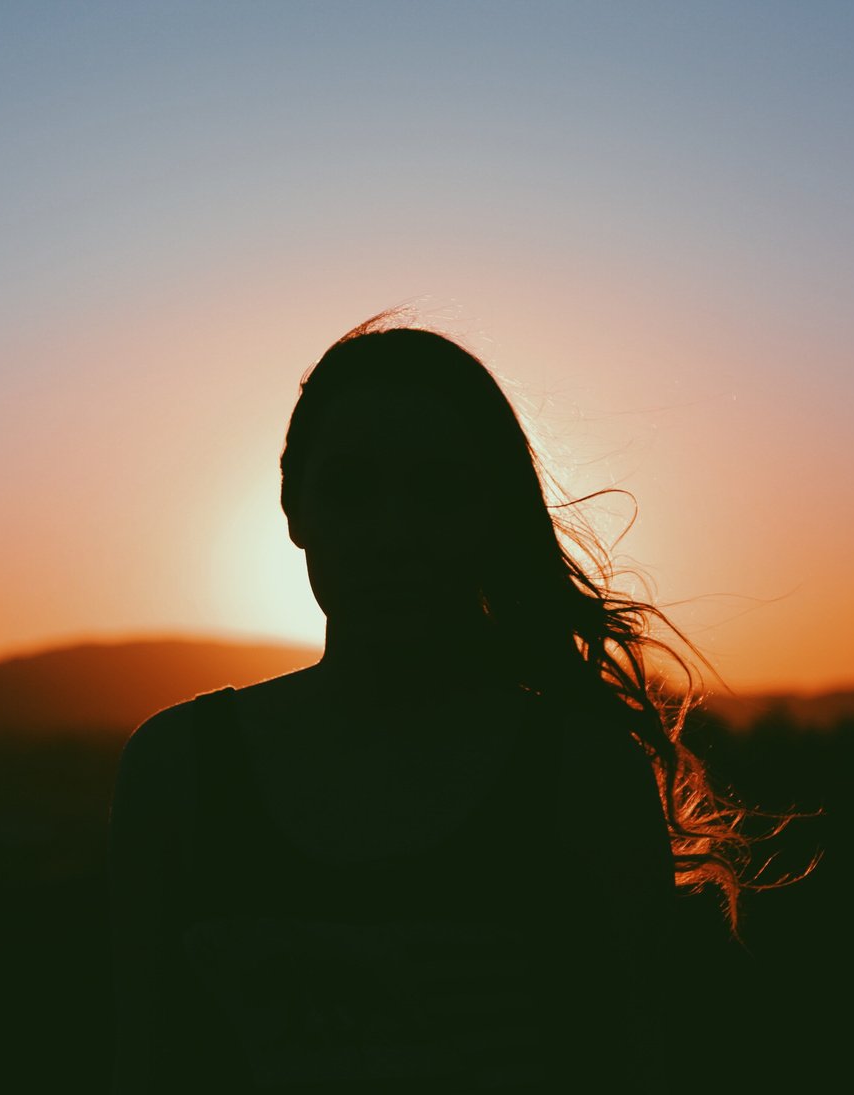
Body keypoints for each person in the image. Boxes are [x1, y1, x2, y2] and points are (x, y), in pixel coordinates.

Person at [107, 318, 747, 1093]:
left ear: (490, 514)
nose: (392, 532)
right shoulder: (179, 770)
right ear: (292, 506)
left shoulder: (586, 777)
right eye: (352, 487)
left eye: (438, 490)